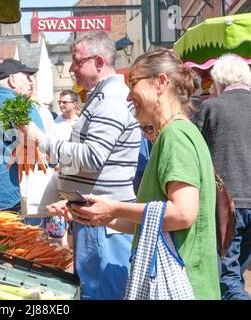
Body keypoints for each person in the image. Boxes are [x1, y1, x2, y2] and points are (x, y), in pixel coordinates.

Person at [52, 47, 221, 300]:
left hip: (182, 286)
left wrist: (116, 208)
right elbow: (151, 222)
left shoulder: (175, 135)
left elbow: (183, 213)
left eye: (134, 84)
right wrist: (99, 214)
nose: (129, 96)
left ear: (161, 82)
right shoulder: (176, 133)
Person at [24, 31, 141, 299]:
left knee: (101, 293)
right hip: (95, 218)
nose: (71, 68)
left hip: (102, 222)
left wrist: (42, 141)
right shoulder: (101, 98)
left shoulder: (110, 101)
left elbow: (92, 156)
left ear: (98, 61)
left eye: (77, 61)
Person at [196, 54, 251, 300]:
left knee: (227, 278)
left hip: (227, 204)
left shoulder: (210, 107)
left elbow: (195, 154)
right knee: (235, 272)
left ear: (218, 79)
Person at [0, 59, 45, 217]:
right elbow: (42, 143)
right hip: (21, 193)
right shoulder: (20, 104)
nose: (31, 82)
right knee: (28, 240)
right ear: (12, 79)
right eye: (27, 77)